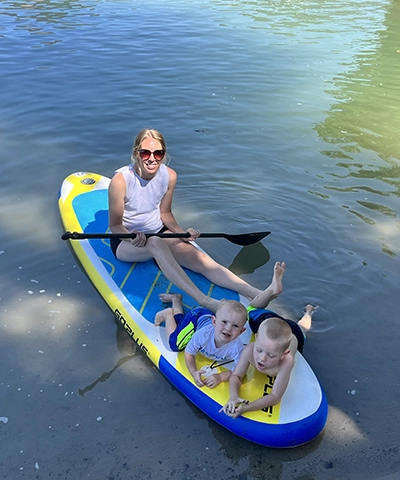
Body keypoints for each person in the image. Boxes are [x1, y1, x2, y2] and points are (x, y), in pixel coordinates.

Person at [108, 128, 276, 312]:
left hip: (158, 231)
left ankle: (255, 293)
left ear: (164, 154)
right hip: (126, 241)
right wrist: (130, 236)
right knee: (155, 242)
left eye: (158, 153)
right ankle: (203, 299)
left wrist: (182, 233)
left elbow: (165, 214)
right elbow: (115, 226)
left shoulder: (169, 175)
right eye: (145, 152)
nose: (152, 158)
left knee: (199, 259)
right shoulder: (121, 180)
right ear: (136, 153)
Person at [154, 261, 287, 388]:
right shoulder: (203, 335)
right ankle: (168, 314)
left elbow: (238, 370)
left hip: (211, 320)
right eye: (224, 323)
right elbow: (189, 353)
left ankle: (176, 299)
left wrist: (221, 377)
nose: (228, 328)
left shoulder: (237, 348)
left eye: (235, 326)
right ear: (215, 322)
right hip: (197, 318)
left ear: (241, 331)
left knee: (182, 327)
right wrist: (194, 372)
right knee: (176, 343)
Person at [221, 300, 317, 419]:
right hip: (270, 323)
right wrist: (233, 396)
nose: (261, 358)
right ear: (256, 339)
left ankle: (309, 312)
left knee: (302, 328)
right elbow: (236, 376)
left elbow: (275, 396)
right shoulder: (250, 350)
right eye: (259, 350)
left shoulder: (286, 362)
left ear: (283, 354)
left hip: (293, 333)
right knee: (252, 312)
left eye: (271, 356)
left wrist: (247, 408)